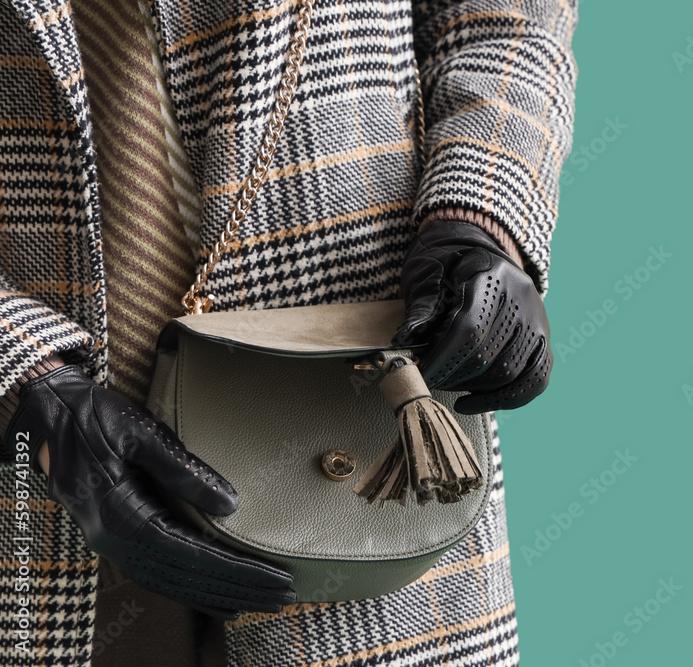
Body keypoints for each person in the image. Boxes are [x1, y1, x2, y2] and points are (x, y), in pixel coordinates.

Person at [0, 0, 577, 663]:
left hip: (359, 438)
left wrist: (484, 209)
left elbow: (506, 20)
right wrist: (21, 372)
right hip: (36, 497)